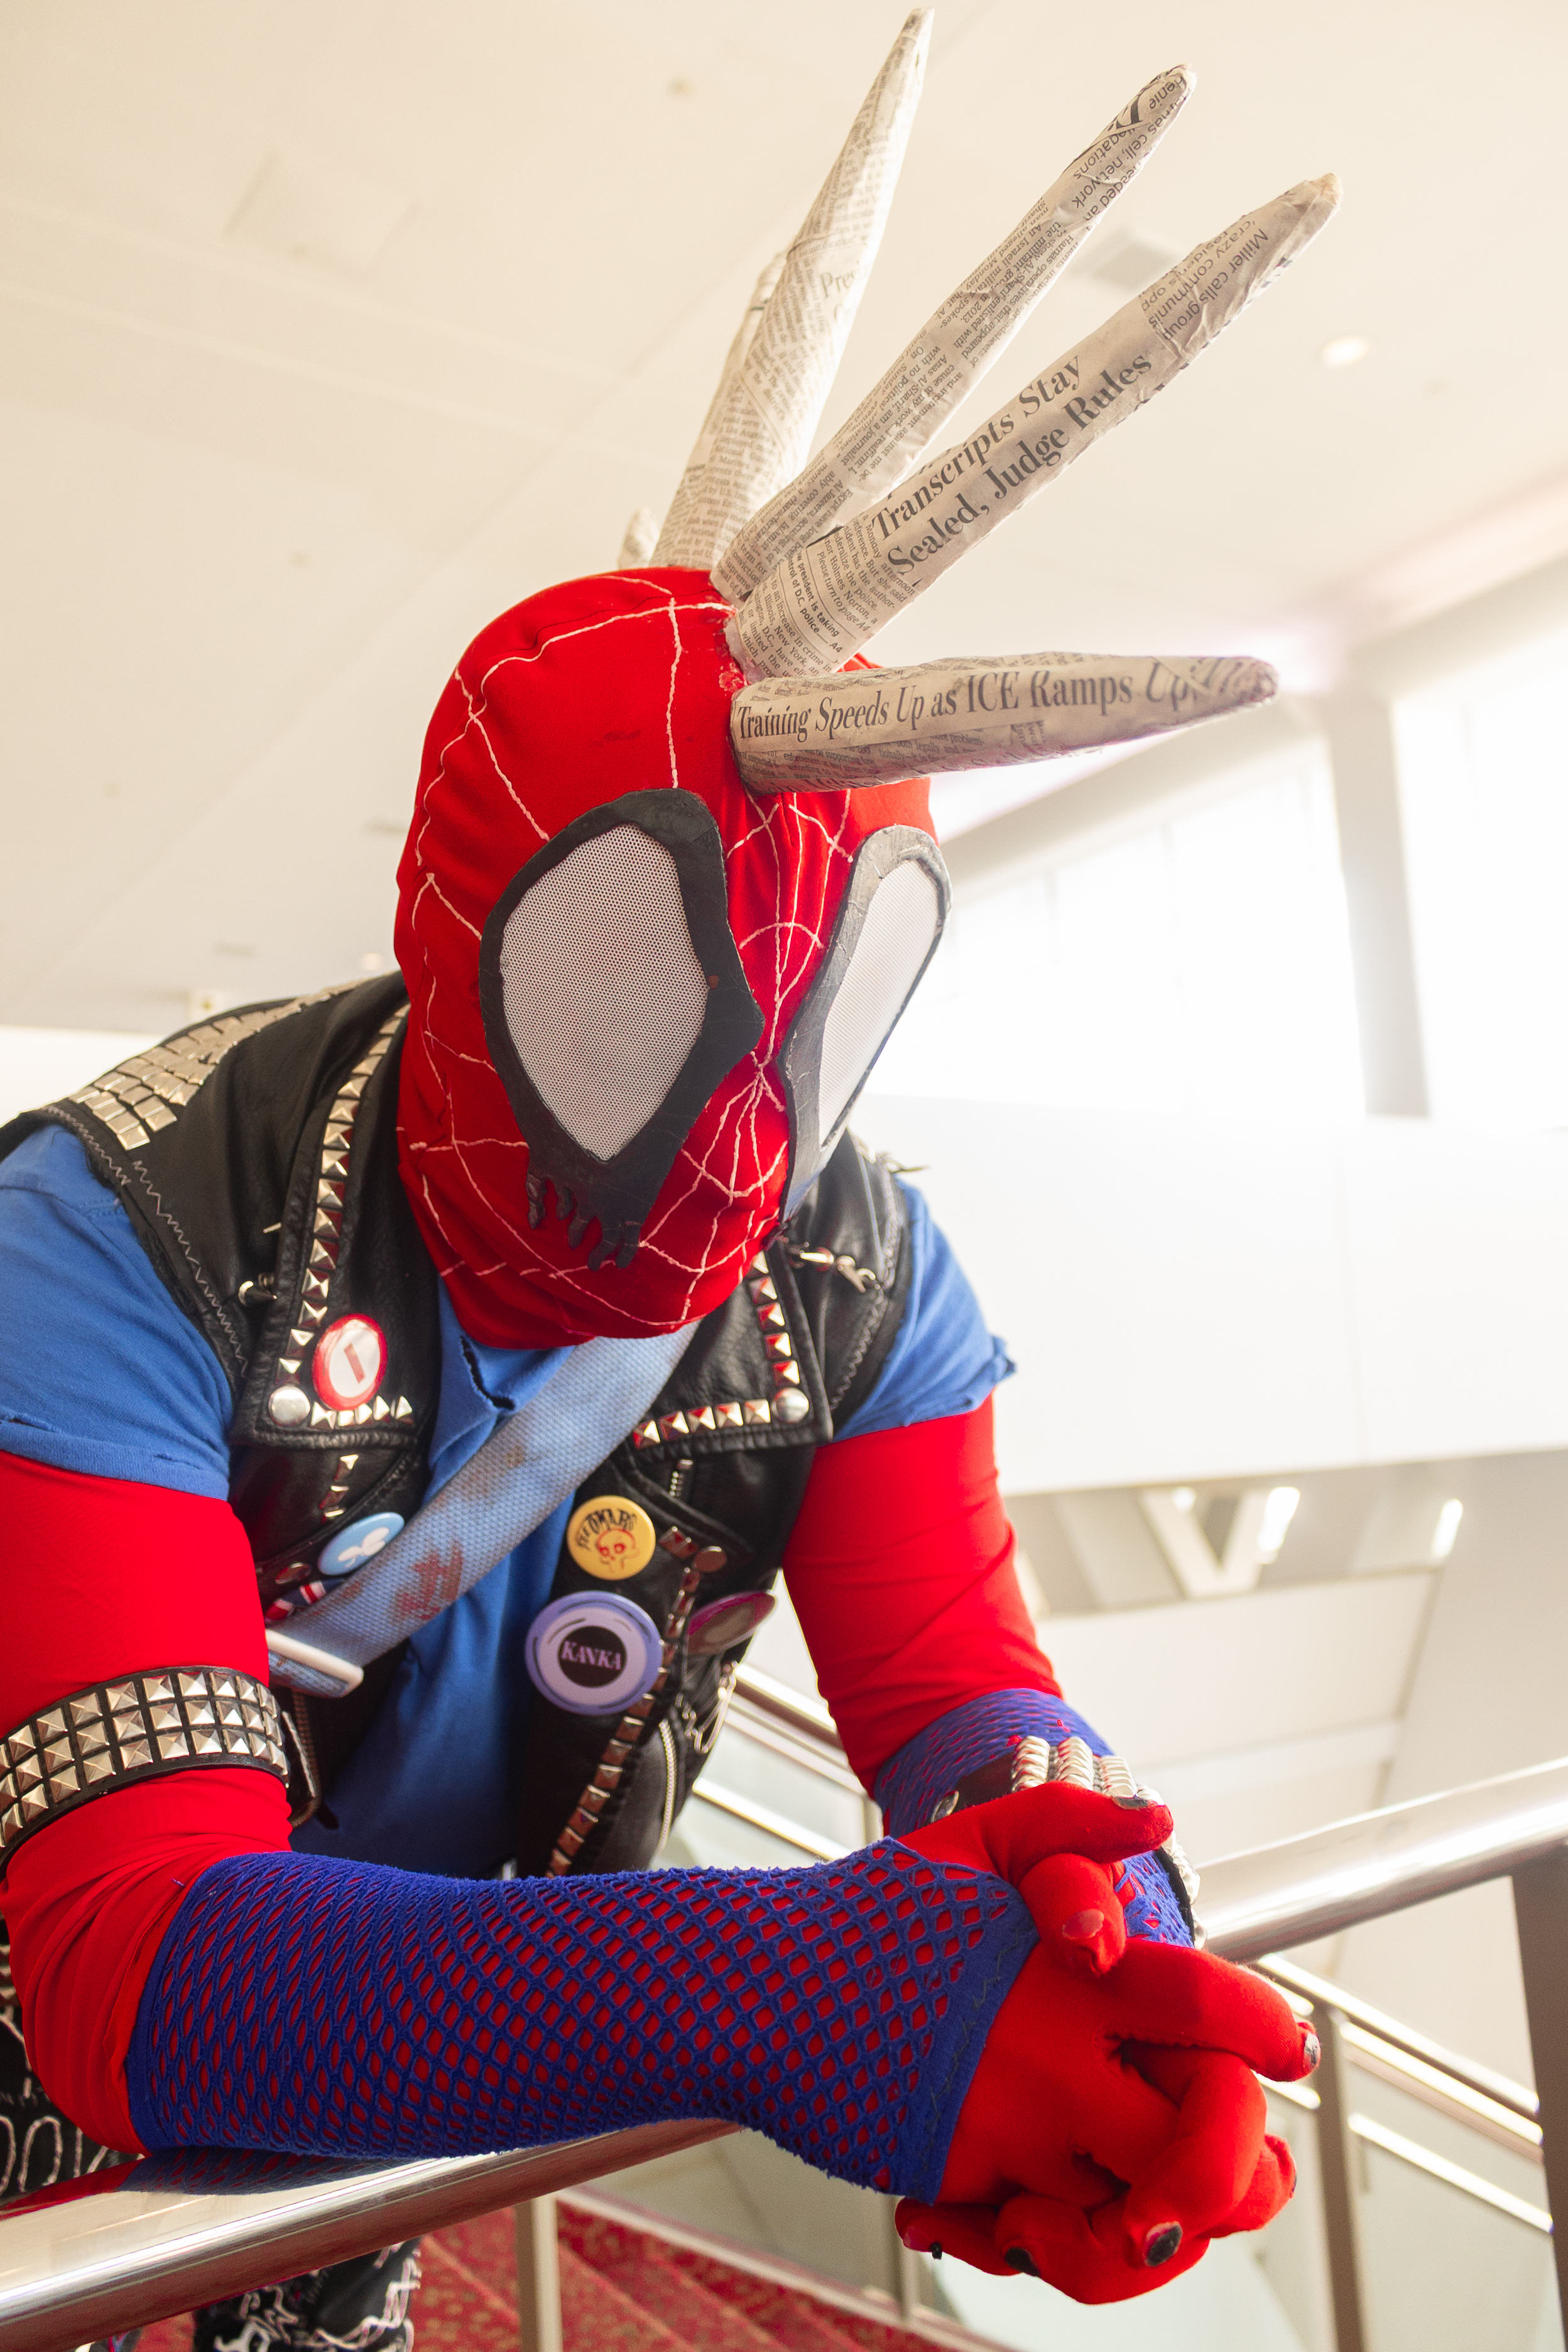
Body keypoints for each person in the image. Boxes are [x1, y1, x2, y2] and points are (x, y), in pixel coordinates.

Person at [0, 19, 1334, 2344]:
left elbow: (965, 1701)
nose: (740, 1146)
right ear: (485, 911)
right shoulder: (114, 1227)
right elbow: (143, 1960)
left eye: (816, 1021)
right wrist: (793, 1992)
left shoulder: (870, 1275)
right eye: (640, 979)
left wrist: (1094, 1940)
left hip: (394, 2127)